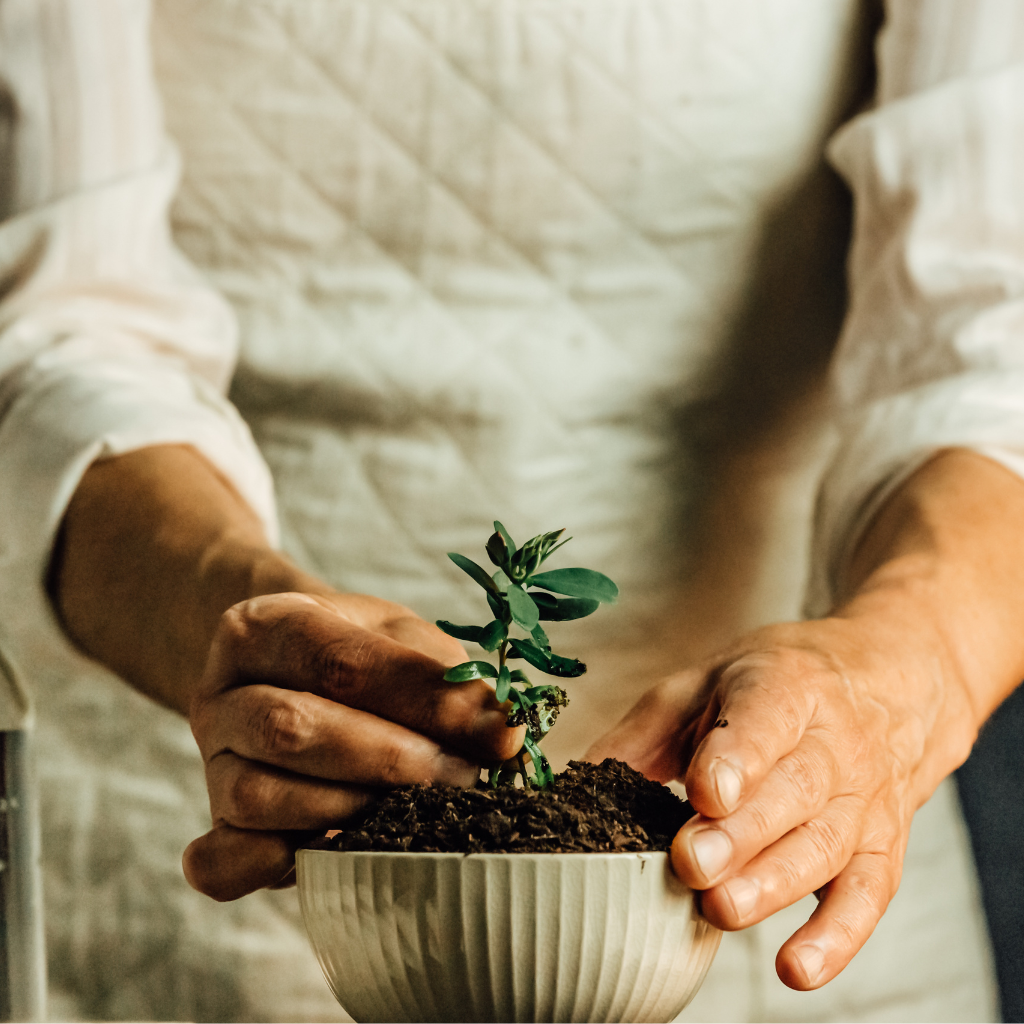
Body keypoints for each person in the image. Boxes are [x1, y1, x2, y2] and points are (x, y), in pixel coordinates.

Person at [1, 0, 1022, 1020]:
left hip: (753, 872)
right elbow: (56, 327)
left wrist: (902, 662)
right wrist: (243, 621)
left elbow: (992, 342)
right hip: (209, 824)